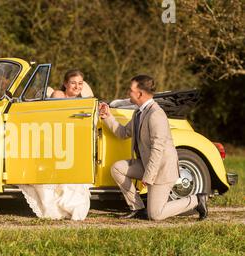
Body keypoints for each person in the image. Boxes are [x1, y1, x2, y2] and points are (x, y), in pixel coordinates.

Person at [99, 75, 209, 221]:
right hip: (147, 164)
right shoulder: (138, 112)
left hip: (162, 169)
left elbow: (158, 149)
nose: (128, 92)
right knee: (117, 168)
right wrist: (107, 116)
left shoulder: (156, 114)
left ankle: (196, 200)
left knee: (156, 215)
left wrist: (148, 176)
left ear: (140, 94)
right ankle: (137, 208)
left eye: (130, 90)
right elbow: (124, 133)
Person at [18, 69, 92, 221]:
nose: (77, 87)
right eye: (73, 83)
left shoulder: (83, 101)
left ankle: (68, 205)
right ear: (65, 83)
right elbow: (58, 118)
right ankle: (55, 207)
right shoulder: (58, 95)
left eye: (80, 84)